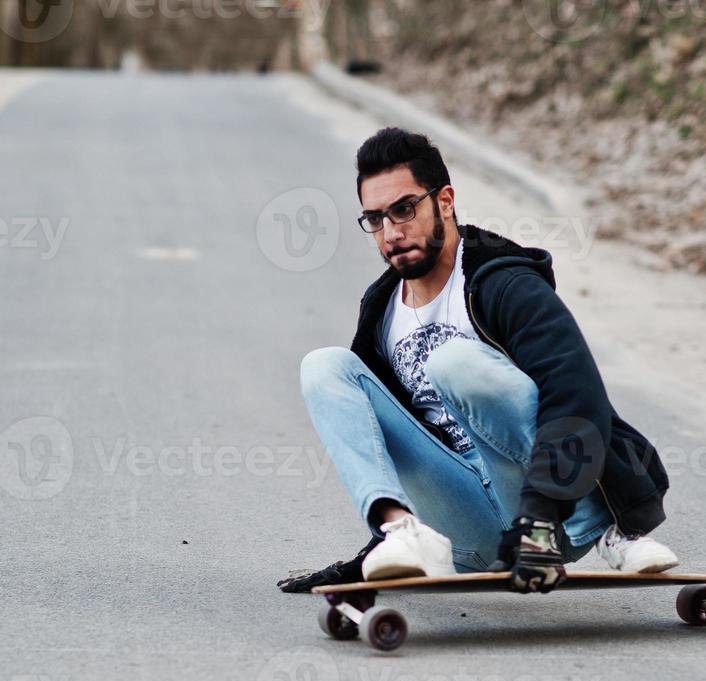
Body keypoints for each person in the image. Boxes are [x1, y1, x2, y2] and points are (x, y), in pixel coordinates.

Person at [278, 127, 676, 595]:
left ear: (444, 201)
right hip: (460, 523)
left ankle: (615, 534)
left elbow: (576, 393)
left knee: (455, 363)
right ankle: (404, 535)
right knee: (324, 365)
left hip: (552, 515)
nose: (391, 233)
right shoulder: (381, 308)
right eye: (375, 219)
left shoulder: (504, 283)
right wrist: (368, 558)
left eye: (404, 210)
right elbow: (380, 439)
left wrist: (541, 515)